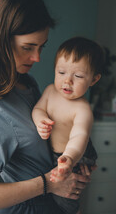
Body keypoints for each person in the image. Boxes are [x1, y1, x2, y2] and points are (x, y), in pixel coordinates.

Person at [0, 0, 94, 214]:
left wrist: (75, 167)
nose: (37, 58)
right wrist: (49, 183)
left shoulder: (26, 83)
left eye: (42, 47)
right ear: (2, 40)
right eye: (28, 47)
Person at [32, 36, 104, 214]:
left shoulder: (83, 108)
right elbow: (38, 109)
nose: (67, 81)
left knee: (65, 198)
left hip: (77, 154)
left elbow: (79, 136)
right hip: (53, 154)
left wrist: (69, 159)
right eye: (61, 72)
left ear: (93, 80)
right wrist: (39, 119)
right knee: (47, 193)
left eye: (78, 76)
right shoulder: (50, 91)